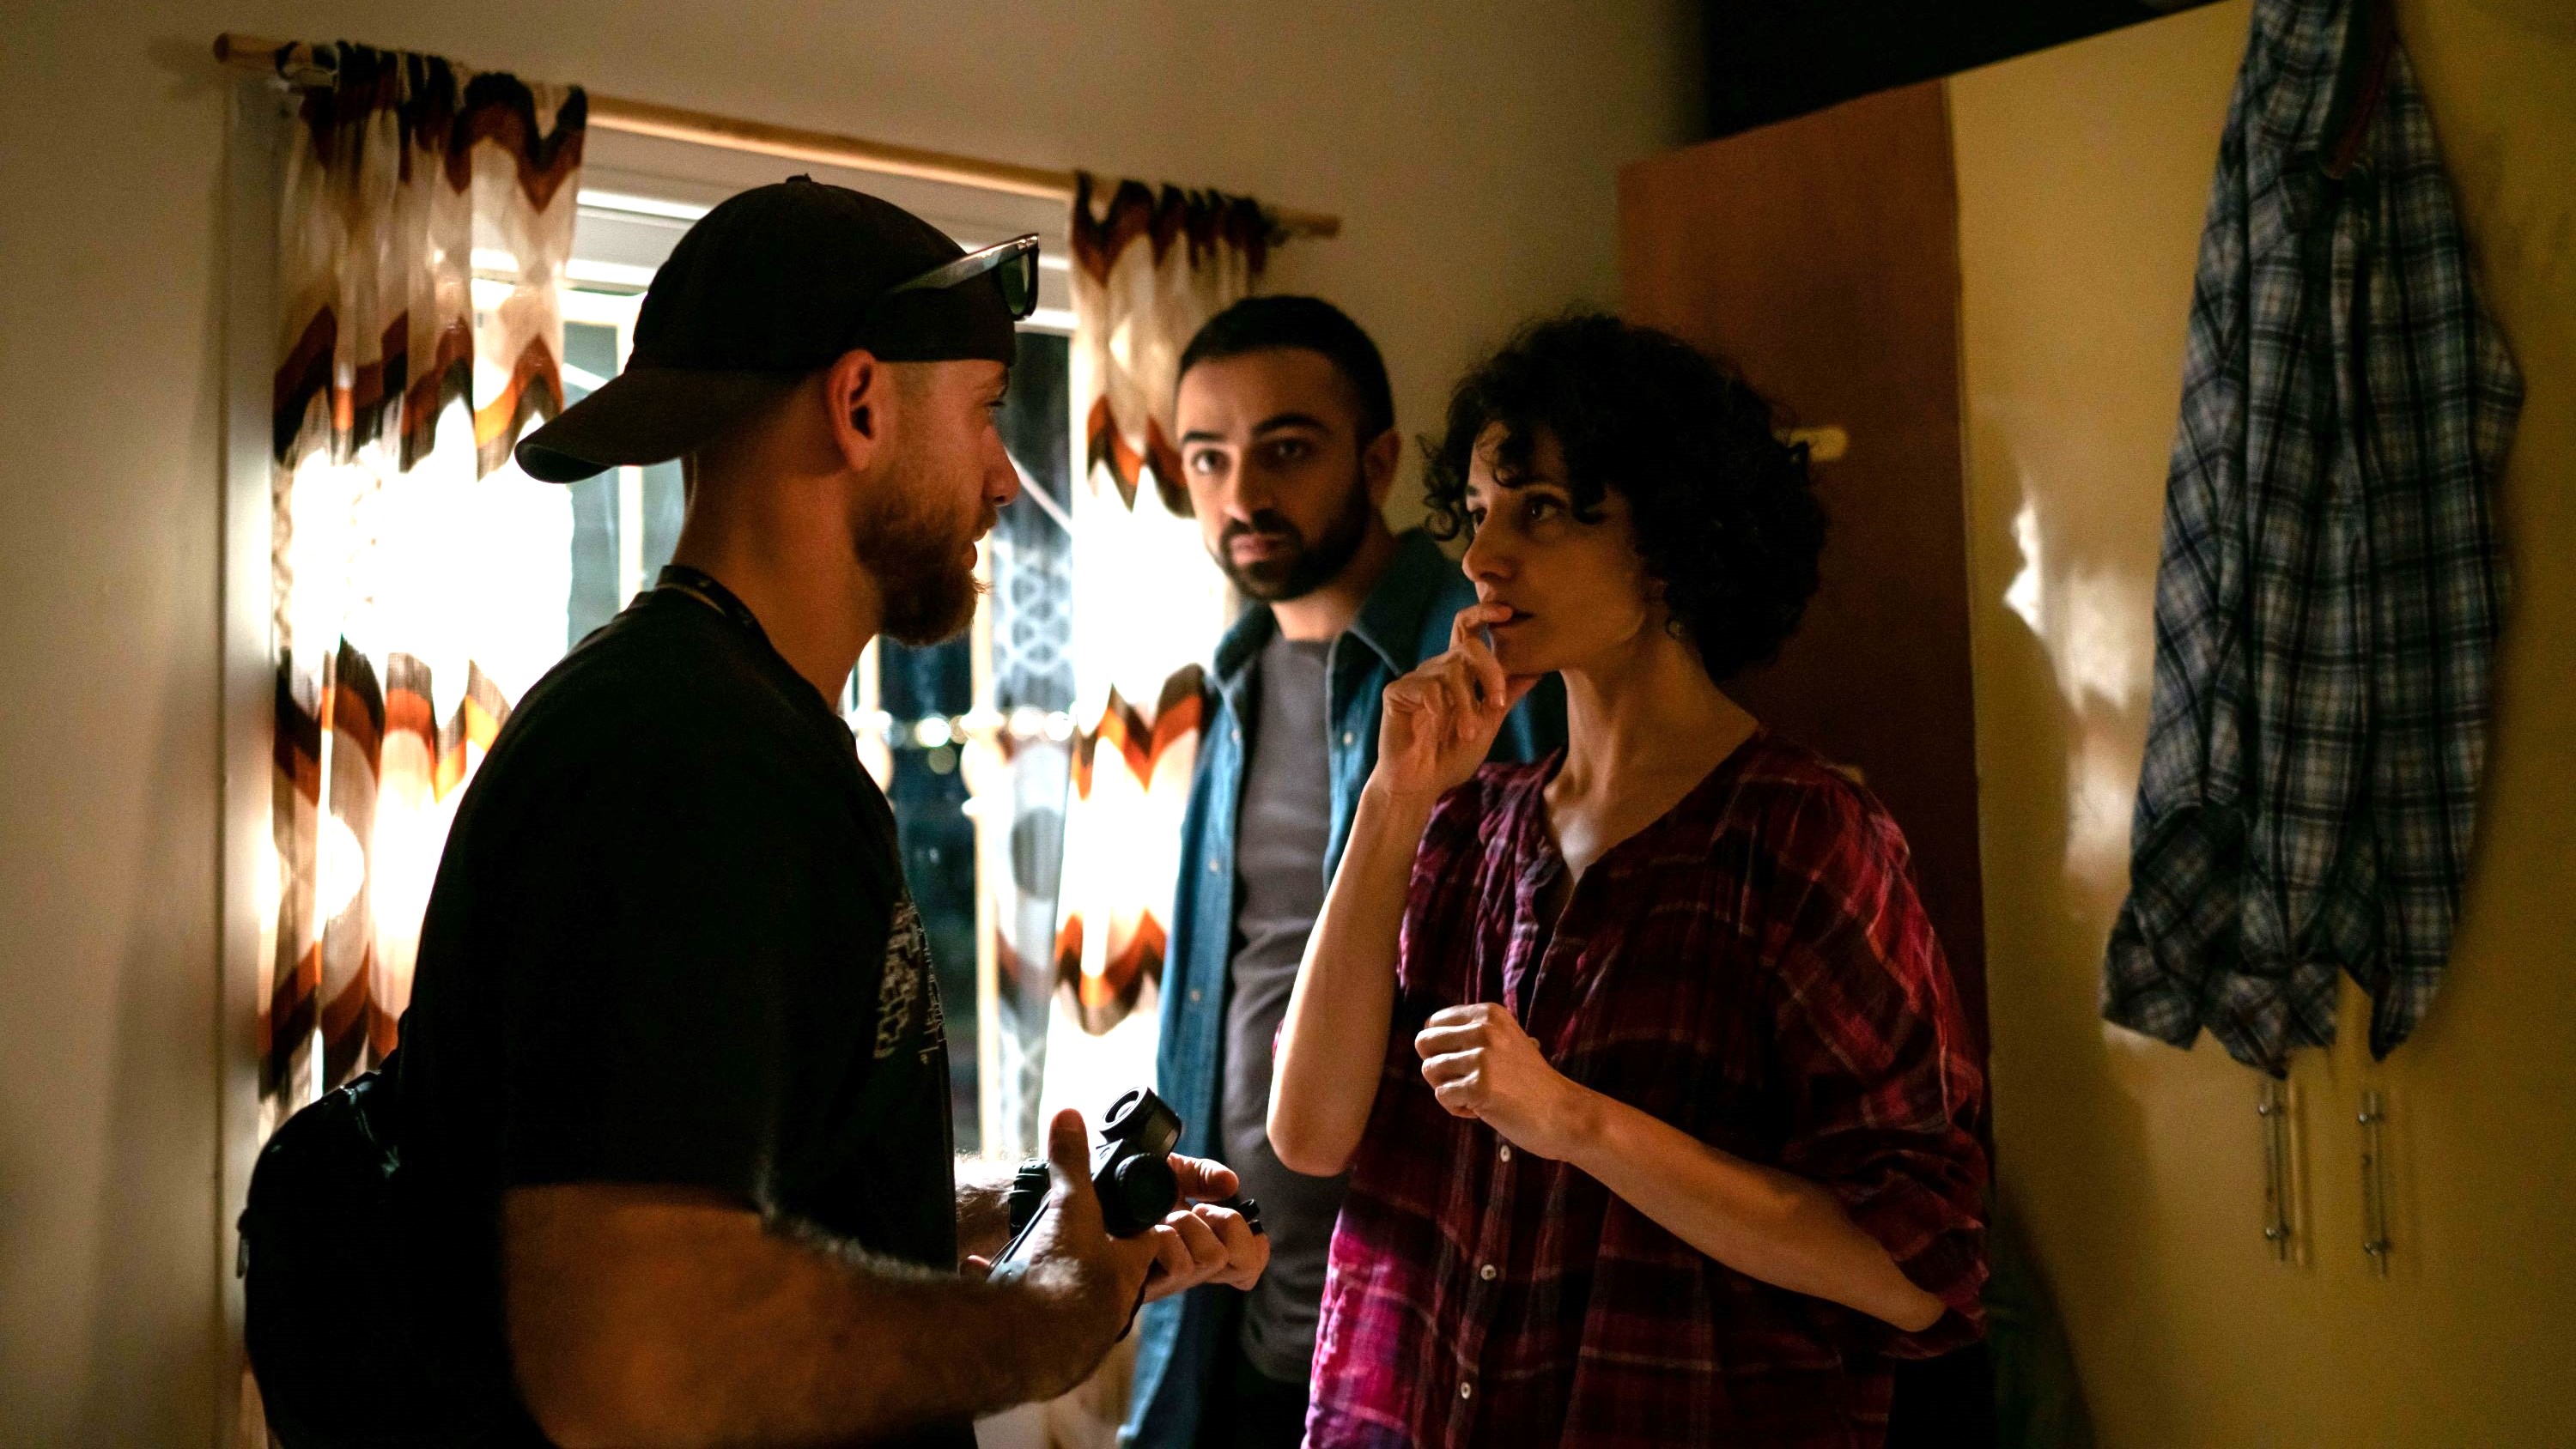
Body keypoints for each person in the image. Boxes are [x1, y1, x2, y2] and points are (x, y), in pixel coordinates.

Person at [392, 179, 1267, 1449]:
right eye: (983, 416)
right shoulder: (685, 759)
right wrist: (1045, 1317)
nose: (1005, 482)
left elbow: (741, 1169)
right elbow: (637, 1352)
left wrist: (1013, 1214)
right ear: (860, 404)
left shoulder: (737, 724)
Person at [1269, 313, 1989, 1446]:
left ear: (1669, 541)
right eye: (1480, 510)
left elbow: (1913, 1268)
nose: (1482, 556)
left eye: (1542, 511)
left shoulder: (1804, 838)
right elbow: (1307, 1134)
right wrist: (1390, 801)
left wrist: (1573, 1121)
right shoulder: (1472, 829)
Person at [1125, 298, 1565, 1449]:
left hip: (1425, 1309)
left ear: (1377, 462)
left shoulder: (1487, 673)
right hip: (1244, 1309)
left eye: (1286, 448)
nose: (1241, 493)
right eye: (1208, 458)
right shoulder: (1229, 683)